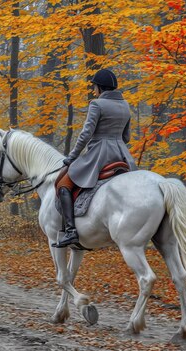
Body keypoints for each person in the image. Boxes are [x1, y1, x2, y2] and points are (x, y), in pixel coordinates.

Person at [53, 69, 136, 248]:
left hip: (100, 154)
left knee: (64, 185)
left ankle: (71, 231)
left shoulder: (97, 104)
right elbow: (126, 137)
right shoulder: (125, 105)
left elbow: (85, 135)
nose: (94, 90)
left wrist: (72, 156)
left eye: (95, 87)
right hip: (121, 154)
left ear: (99, 87)